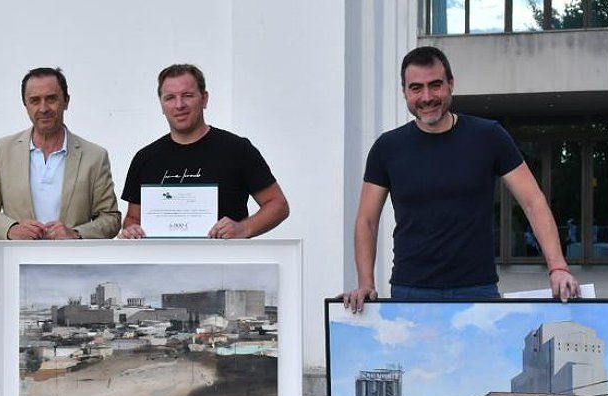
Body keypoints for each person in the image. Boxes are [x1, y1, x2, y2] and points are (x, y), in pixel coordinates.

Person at [342, 46, 578, 317]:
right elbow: (367, 220)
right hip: (411, 290)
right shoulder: (387, 147)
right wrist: (366, 283)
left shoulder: (489, 136)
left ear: (451, 84)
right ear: (404, 91)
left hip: (478, 288)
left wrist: (558, 267)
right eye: (416, 88)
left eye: (436, 85)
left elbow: (533, 201)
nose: (427, 97)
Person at [0, 67, 121, 302]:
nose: (43, 108)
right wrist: (11, 230)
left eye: (51, 99)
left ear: (66, 101)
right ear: (26, 105)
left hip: (72, 279)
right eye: (34, 100)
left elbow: (111, 219)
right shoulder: (1, 151)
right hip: (13, 273)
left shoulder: (95, 156)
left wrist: (75, 234)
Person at [118, 63, 288, 239]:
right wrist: (131, 230)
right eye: (169, 98)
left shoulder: (237, 150)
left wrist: (243, 229)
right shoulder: (145, 158)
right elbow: (133, 217)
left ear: (204, 99)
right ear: (161, 104)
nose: (179, 105)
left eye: (188, 95)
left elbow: (278, 204)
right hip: (162, 264)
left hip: (223, 263)